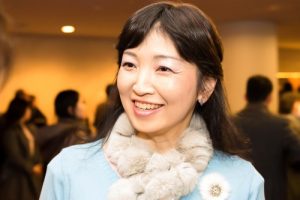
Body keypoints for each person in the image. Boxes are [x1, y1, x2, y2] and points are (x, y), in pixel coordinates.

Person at [40, 2, 264, 200]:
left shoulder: (241, 182)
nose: (140, 86)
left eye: (164, 68)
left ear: (205, 86)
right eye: (129, 64)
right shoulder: (69, 170)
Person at [233, 75, 300, 200]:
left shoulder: (231, 123)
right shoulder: (280, 125)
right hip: (272, 194)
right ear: (270, 98)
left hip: (239, 193)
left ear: (246, 96)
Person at [37, 89, 92, 171]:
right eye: (83, 102)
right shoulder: (78, 134)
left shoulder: (43, 131)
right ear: (70, 109)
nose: (86, 106)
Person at [0, 97, 43, 200]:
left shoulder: (27, 128)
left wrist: (39, 163)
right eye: (28, 109)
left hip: (29, 174)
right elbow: (13, 155)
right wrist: (31, 168)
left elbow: (35, 148)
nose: (30, 112)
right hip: (16, 177)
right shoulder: (11, 130)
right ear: (21, 110)